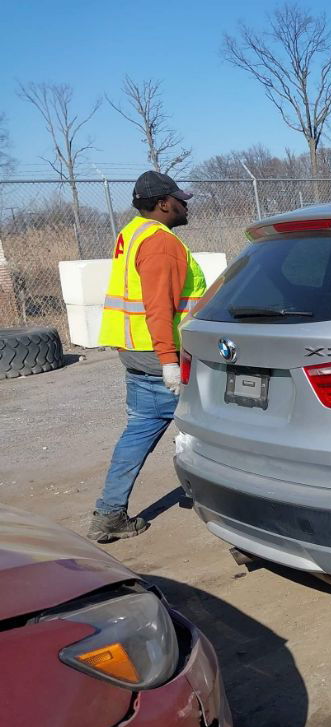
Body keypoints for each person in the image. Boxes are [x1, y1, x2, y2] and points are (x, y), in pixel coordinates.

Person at [89, 171, 206, 543]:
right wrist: (170, 361)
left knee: (139, 430)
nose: (185, 204)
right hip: (163, 354)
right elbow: (159, 306)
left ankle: (109, 513)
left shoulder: (132, 232)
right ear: (163, 204)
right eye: (179, 199)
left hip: (135, 351)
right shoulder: (161, 243)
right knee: (213, 427)